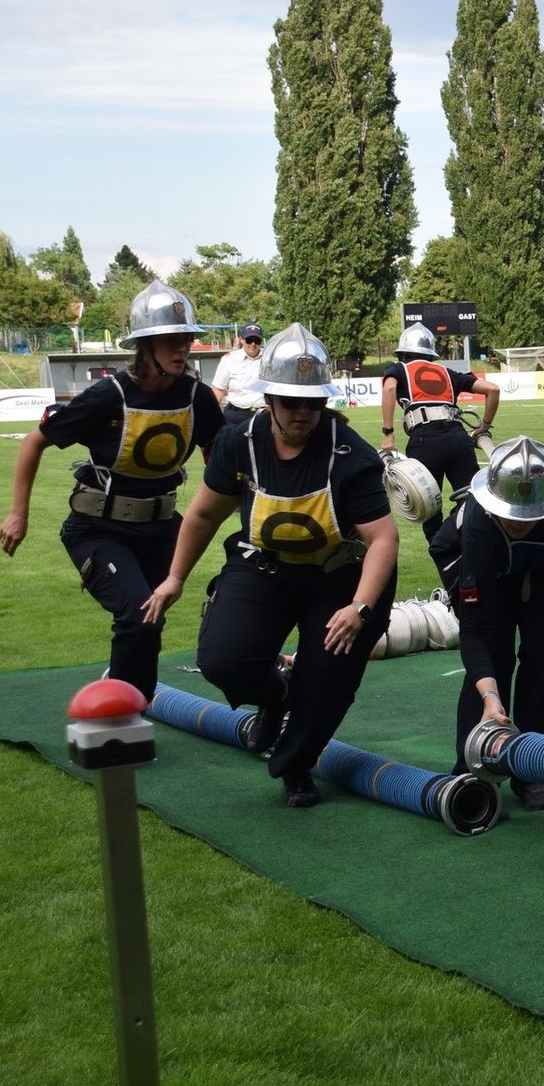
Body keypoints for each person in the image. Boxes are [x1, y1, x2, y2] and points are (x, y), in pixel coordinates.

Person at [142, 325, 398, 808]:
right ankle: (274, 695)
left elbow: (383, 539)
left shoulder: (350, 455)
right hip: (265, 565)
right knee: (222, 659)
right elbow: (201, 514)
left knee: (324, 683)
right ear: (269, 398)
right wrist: (174, 578)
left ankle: (296, 766)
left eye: (312, 403)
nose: (303, 413)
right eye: (291, 402)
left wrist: (359, 608)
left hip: (341, 580)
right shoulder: (239, 443)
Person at [0, 280, 222, 702]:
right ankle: (119, 714)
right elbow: (34, 442)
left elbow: (222, 454)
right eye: (170, 340)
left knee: (149, 622)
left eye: (187, 338)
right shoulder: (107, 397)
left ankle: (130, 702)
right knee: (139, 616)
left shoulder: (197, 398)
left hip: (162, 531)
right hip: (98, 529)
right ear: (144, 345)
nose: (182, 348)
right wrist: (17, 514)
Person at [428, 436, 544, 811]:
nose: (518, 522)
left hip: (541, 563)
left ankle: (531, 767)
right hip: (479, 559)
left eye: (528, 514)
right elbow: (473, 630)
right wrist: (490, 697)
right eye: (510, 513)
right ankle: (473, 769)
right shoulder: (480, 525)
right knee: (495, 653)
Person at [380, 322, 499, 541]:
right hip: (458, 439)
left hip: (424, 441)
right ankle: (468, 550)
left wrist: (388, 433)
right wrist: (484, 426)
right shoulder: (448, 372)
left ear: (403, 353)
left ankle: (444, 556)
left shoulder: (399, 369)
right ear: (431, 355)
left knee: (428, 509)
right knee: (470, 502)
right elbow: (493, 389)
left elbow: (389, 388)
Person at [210, 322, 266, 426]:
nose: (253, 344)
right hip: (236, 415)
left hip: (264, 415)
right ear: (241, 339)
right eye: (249, 340)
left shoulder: (270, 359)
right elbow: (218, 389)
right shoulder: (229, 359)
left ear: (261, 340)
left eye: (257, 340)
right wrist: (210, 416)